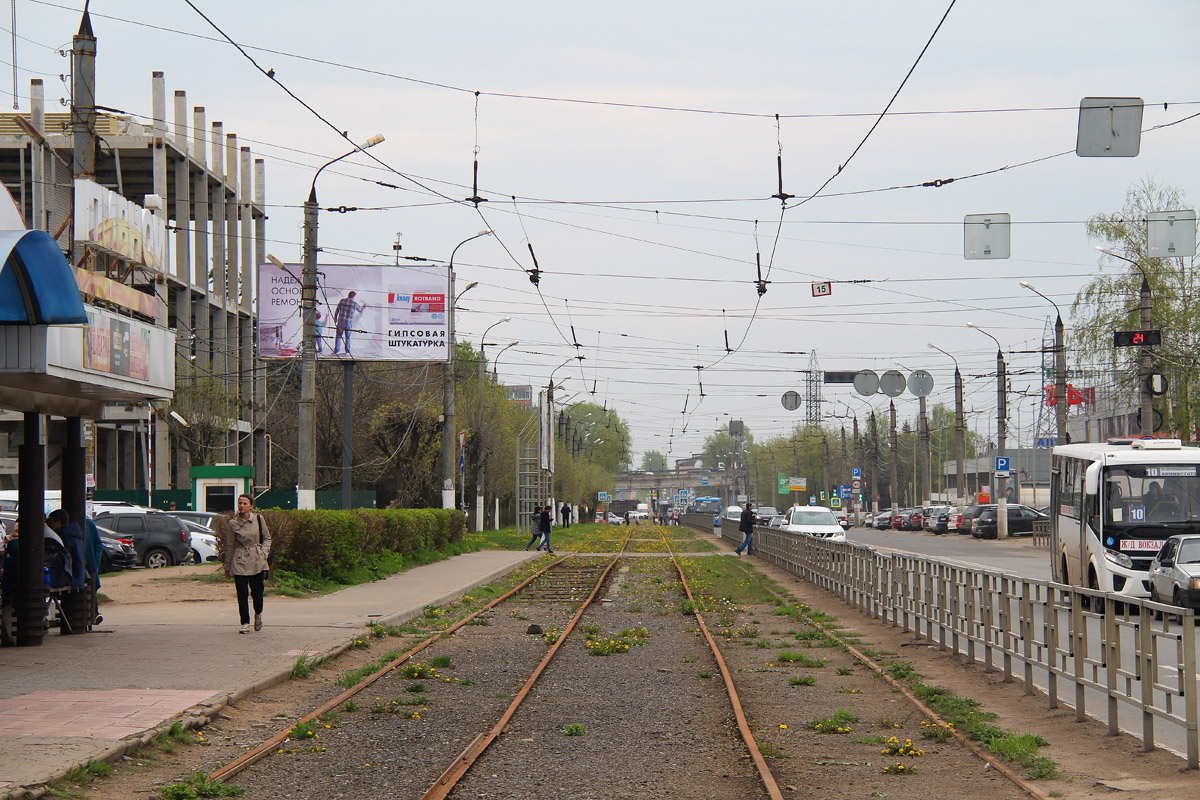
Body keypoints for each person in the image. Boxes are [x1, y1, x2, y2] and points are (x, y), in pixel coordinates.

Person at [224, 494, 271, 634]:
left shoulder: (258, 519)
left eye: (245, 503)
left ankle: (258, 614)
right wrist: (227, 566)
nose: (242, 506)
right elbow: (230, 546)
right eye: (240, 503)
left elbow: (267, 538)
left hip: (256, 559)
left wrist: (263, 552)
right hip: (240, 560)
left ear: (251, 506)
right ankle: (244, 622)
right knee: (242, 593)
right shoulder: (233, 523)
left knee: (257, 591)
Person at [332, 291, 365, 356]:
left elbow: (337, 309)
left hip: (340, 321)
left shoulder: (342, 301)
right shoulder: (354, 303)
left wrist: (335, 317)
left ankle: (336, 351)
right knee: (348, 337)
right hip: (348, 323)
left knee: (338, 336)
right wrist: (363, 307)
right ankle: (347, 351)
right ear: (354, 296)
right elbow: (360, 310)